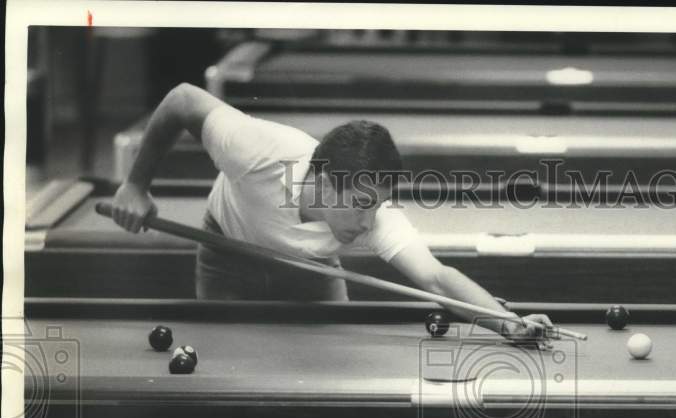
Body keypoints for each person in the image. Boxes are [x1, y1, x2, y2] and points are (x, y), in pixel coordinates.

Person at [110, 83, 552, 344]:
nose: (367, 223)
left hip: (313, 269)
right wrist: (135, 185)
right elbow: (183, 100)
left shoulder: (373, 216)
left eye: (375, 206)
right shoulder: (255, 149)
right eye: (361, 205)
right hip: (227, 256)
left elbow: (436, 277)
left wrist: (508, 324)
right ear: (322, 182)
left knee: (333, 357)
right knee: (224, 358)